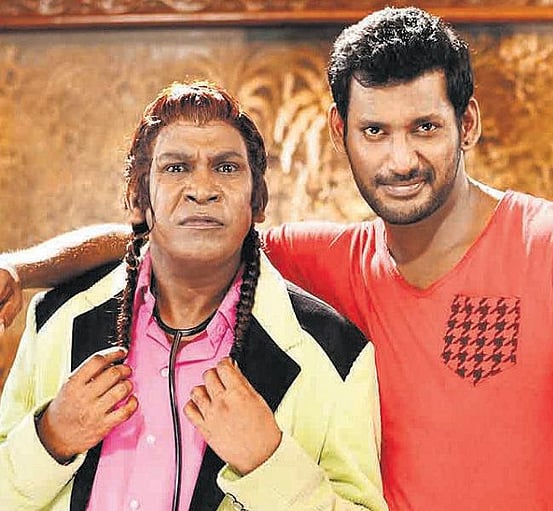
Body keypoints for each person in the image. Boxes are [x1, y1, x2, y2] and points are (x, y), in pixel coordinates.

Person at [1, 6, 553, 510]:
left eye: (424, 127)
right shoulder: (325, 261)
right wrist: (19, 272)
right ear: (341, 132)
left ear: (466, 122)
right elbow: (166, 238)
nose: (400, 160)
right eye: (374, 131)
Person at [0, 81, 386, 511]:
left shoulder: (336, 355)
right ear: (138, 200)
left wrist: (268, 463)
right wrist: (49, 439)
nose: (202, 189)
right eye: (176, 167)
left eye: (226, 167)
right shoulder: (55, 320)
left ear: (258, 201)